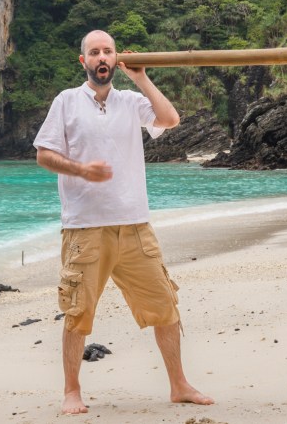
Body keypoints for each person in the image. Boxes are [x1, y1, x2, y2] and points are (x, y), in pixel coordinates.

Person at [33, 29, 214, 415]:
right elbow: (44, 155)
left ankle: (179, 384)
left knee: (165, 305)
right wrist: (80, 169)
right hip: (85, 227)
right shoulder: (66, 101)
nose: (101, 57)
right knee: (78, 312)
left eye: (108, 52)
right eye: (94, 52)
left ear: (116, 59)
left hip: (134, 224)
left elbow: (170, 118)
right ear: (83, 61)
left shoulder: (132, 101)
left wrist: (142, 77)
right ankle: (71, 392)